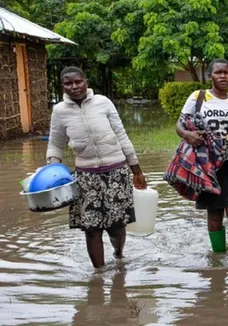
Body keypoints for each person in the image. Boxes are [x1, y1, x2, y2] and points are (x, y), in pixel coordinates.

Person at [46, 66, 147, 269]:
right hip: (86, 177)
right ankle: (99, 275)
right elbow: (56, 144)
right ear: (62, 86)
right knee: (91, 229)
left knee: (117, 226)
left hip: (116, 172)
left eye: (78, 81)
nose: (74, 86)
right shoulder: (59, 111)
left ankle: (118, 255)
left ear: (86, 81)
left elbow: (121, 135)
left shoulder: (103, 103)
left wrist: (137, 170)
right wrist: (51, 170)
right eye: (68, 83)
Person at [176, 58, 228, 253]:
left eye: (226, 72)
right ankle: (218, 258)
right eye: (218, 72)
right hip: (206, 163)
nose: (223, 76)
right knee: (215, 213)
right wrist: (188, 135)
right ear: (210, 76)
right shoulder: (198, 97)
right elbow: (180, 125)